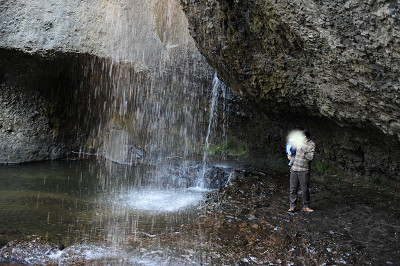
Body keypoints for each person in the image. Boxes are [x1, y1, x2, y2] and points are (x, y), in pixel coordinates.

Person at [287, 129, 315, 213]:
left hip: (304, 170)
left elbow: (310, 157)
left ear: (305, 136)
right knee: (293, 189)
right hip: (294, 169)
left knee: (305, 189)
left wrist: (302, 149)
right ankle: (292, 206)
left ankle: (306, 206)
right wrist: (289, 155)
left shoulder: (311, 144)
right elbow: (289, 147)